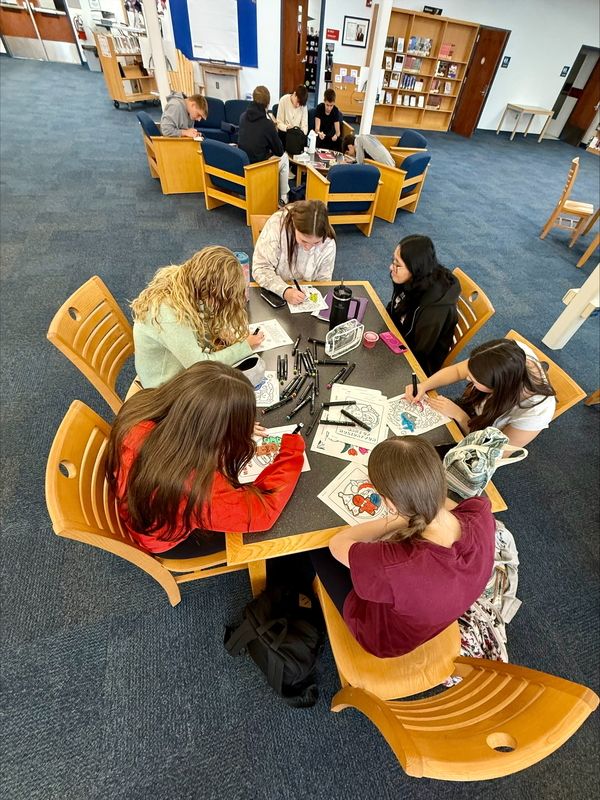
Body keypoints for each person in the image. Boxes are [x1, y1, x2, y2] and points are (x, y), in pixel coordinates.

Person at [311, 436, 495, 658]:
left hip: (383, 639)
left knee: (316, 546)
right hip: (433, 615)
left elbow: (338, 543)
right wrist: (414, 511)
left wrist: (403, 518)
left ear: (389, 503)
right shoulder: (481, 511)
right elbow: (442, 507)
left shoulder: (394, 563)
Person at [106, 361, 306, 557]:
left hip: (145, 510)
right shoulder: (200, 485)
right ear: (214, 428)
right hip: (171, 541)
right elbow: (262, 513)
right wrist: (291, 452)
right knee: (277, 532)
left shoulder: (142, 406)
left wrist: (230, 425)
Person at [131, 246, 264, 389]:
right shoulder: (170, 314)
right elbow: (200, 365)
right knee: (234, 395)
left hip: (177, 366)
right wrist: (244, 347)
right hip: (162, 387)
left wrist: (220, 330)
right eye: (220, 301)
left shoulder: (185, 282)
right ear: (208, 291)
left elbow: (203, 311)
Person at [406, 338, 557, 448]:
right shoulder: (508, 353)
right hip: (471, 410)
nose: (467, 378)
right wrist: (423, 386)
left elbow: (497, 452)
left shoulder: (537, 411)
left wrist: (460, 416)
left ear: (498, 388)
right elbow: (458, 371)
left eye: (474, 380)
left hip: (482, 438)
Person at [386, 235, 460, 375]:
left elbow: (419, 351)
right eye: (393, 260)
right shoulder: (414, 279)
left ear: (415, 268)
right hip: (397, 337)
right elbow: (394, 307)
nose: (391, 267)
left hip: (414, 365)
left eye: (397, 264)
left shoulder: (434, 309)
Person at [252, 199, 336, 304]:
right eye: (304, 241)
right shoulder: (277, 225)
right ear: (294, 226)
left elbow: (323, 282)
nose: (308, 247)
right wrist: (285, 291)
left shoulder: (328, 241)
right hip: (275, 292)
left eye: (316, 243)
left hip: (306, 297)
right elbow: (260, 268)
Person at [238, 85, 290, 206]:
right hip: (259, 168)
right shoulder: (267, 124)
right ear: (267, 105)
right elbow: (279, 151)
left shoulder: (242, 117)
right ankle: (284, 197)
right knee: (285, 158)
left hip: (244, 166)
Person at [276, 85, 309, 152]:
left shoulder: (303, 106)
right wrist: (286, 127)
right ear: (294, 94)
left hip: (297, 135)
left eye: (300, 104)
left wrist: (299, 131)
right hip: (286, 133)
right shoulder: (283, 100)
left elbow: (305, 126)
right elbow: (279, 123)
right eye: (297, 102)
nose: (298, 105)